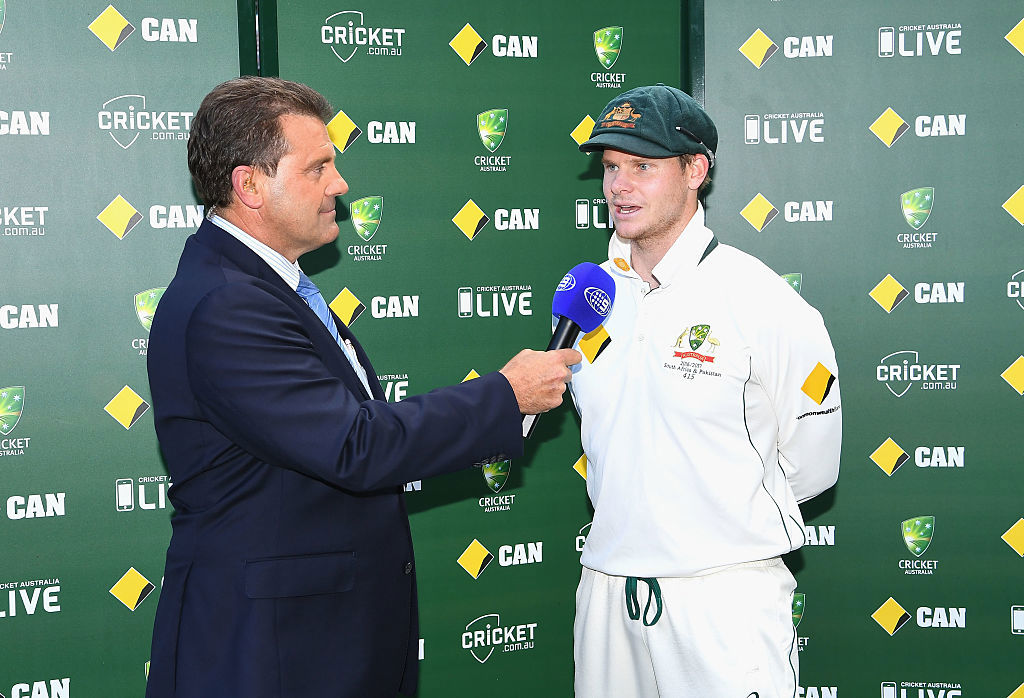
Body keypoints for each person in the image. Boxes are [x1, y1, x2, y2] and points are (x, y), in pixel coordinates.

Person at [144, 76, 580, 698]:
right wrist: (505, 396)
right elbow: (354, 446)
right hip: (271, 653)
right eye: (318, 167)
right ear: (249, 187)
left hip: (316, 643)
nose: (340, 184)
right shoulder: (228, 304)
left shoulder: (265, 289)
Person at [569, 84, 841, 697]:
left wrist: (716, 524)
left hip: (723, 601)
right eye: (612, 167)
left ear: (697, 171)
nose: (619, 186)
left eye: (643, 165)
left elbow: (812, 464)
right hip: (608, 590)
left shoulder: (763, 300)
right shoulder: (588, 299)